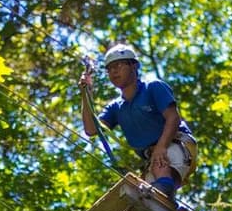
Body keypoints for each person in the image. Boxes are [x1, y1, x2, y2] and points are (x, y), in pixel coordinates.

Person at [79, 43, 196, 199]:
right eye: (109, 69)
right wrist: (86, 95)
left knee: (158, 179)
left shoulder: (153, 87)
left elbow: (173, 118)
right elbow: (91, 129)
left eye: (118, 65)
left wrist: (161, 147)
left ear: (134, 65)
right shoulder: (116, 107)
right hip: (154, 157)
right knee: (146, 197)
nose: (113, 71)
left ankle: (164, 188)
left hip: (175, 144)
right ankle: (166, 202)